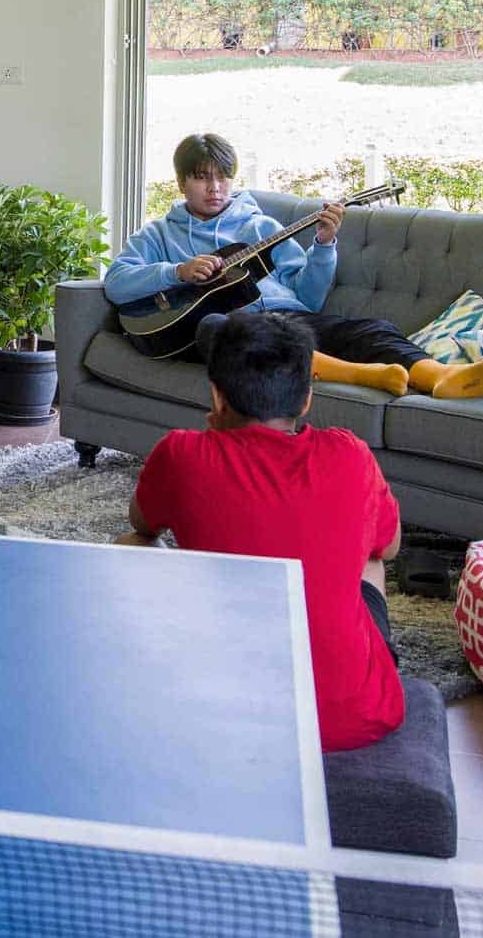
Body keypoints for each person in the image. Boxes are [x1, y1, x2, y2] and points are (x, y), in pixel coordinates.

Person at [119, 310, 405, 750]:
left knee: (131, 546)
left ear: (217, 396)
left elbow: (141, 524)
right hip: (358, 716)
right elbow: (391, 546)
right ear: (306, 400)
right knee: (371, 556)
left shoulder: (181, 453)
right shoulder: (351, 454)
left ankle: (148, 669)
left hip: (218, 716)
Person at [104, 132, 483, 399]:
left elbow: (309, 299)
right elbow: (117, 283)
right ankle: (362, 375)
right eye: (201, 177)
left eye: (223, 177)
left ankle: (442, 376)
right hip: (231, 331)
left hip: (287, 319)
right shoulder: (160, 234)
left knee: (373, 329)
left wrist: (323, 244)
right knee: (217, 327)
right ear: (181, 183)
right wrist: (176, 271)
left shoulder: (262, 227)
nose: (215, 187)